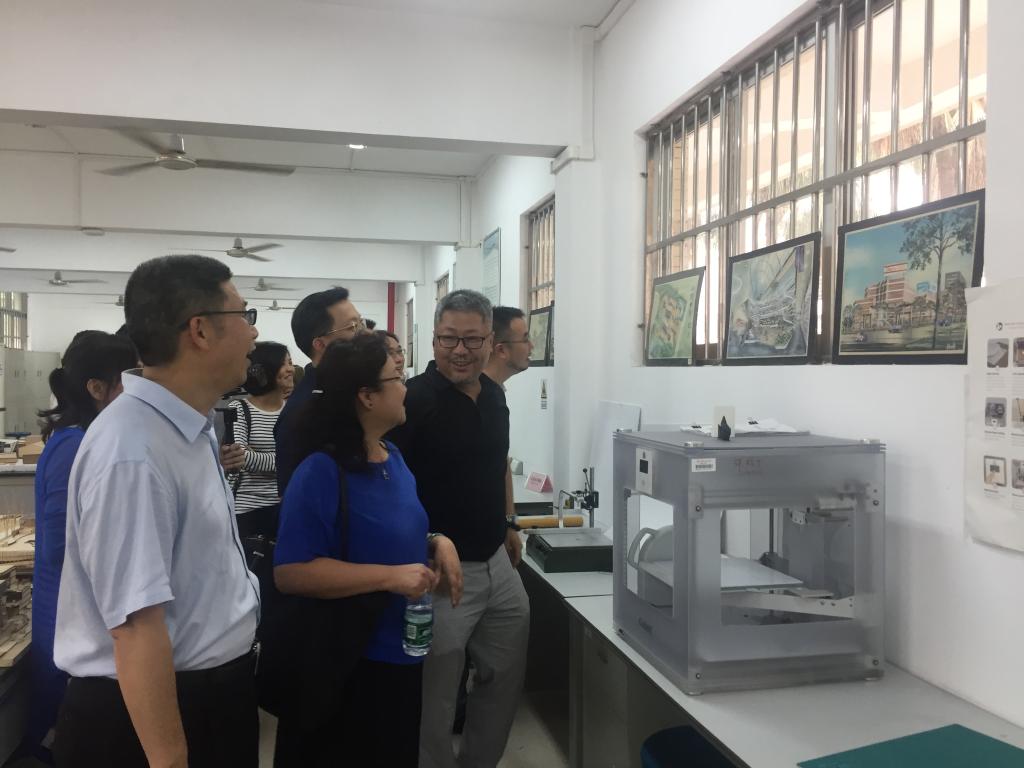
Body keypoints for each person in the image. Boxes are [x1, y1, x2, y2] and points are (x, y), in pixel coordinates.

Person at [52, 254, 262, 768]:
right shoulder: (133, 450)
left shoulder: (187, 428)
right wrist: (169, 758)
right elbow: (134, 626)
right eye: (244, 315)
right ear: (200, 331)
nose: (254, 334)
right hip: (149, 716)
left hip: (208, 695)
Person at [272, 333, 463, 767]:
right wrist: (391, 577)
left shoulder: (392, 456)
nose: (406, 387)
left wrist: (437, 541)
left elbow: (390, 530)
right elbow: (292, 571)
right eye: (397, 377)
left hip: (403, 650)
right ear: (367, 396)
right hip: (350, 660)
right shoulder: (321, 471)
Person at [390, 289, 530, 768]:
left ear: (491, 342)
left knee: (503, 677)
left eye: (472, 339)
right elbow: (387, 484)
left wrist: (509, 522)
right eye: (449, 338)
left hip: (496, 562)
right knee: (436, 695)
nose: (460, 350)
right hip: (439, 572)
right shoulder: (412, 400)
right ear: (434, 339)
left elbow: (498, 463)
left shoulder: (494, 396)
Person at [26, 331, 137, 763]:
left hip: (69, 607)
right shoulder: (75, 444)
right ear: (96, 388)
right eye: (130, 380)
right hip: (65, 613)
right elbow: (59, 547)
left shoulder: (79, 436)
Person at [275, 287, 365, 496]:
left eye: (361, 323)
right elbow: (295, 496)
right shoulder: (302, 411)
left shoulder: (354, 389)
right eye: (353, 327)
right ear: (320, 344)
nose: (365, 334)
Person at [229, 341, 293, 540]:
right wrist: (284, 459)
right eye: (284, 364)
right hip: (248, 510)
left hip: (286, 506)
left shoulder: (293, 410)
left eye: (290, 363)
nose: (291, 369)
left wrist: (254, 456)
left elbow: (300, 458)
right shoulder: (239, 408)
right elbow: (238, 458)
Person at [482, 306, 532, 387]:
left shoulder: (495, 388)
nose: (532, 346)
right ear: (501, 350)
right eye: (525, 340)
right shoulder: (482, 392)